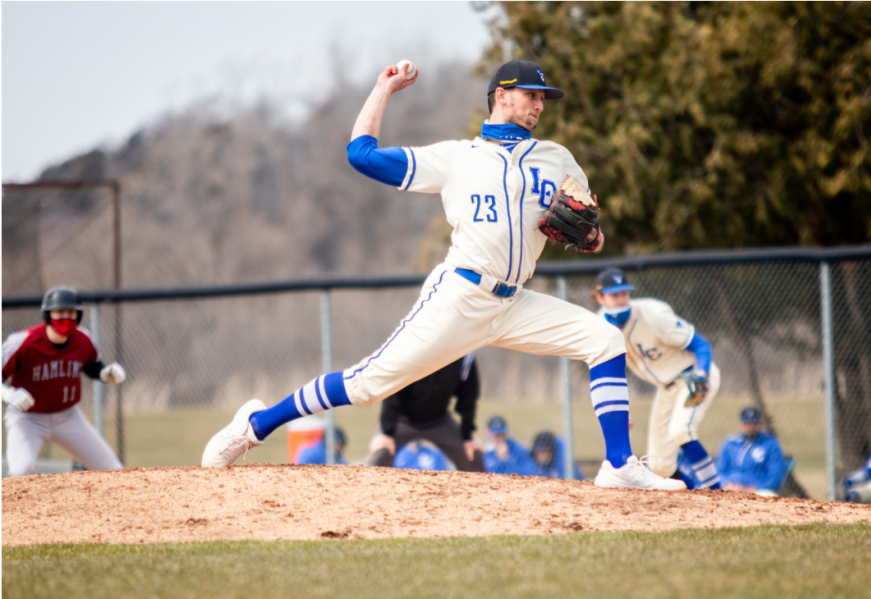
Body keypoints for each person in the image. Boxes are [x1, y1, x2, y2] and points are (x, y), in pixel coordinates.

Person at [202, 59, 684, 491]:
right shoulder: (457, 158)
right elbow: (361, 155)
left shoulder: (557, 159)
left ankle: (619, 464)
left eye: (544, 98)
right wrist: (383, 90)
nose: (540, 104)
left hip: (515, 303)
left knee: (604, 341)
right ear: (502, 96)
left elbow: (593, 235)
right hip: (461, 295)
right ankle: (256, 425)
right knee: (369, 385)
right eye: (531, 95)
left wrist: (586, 236)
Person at [594, 268, 722, 489]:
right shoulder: (599, 326)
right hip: (666, 389)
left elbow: (700, 344)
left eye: (624, 293)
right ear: (599, 297)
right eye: (614, 295)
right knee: (661, 465)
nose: (621, 299)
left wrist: (702, 374)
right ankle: (694, 495)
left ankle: (719, 494)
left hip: (692, 378)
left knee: (682, 430)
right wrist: (620, 408)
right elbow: (610, 370)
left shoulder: (653, 316)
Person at [2, 286, 126, 476]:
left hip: (68, 417)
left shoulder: (83, 339)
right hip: (27, 418)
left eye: (71, 312)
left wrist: (105, 373)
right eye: (60, 312)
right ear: (47, 315)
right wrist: (9, 394)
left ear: (79, 316)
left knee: (113, 469)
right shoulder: (22, 342)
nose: (66, 318)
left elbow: (92, 366)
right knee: (21, 471)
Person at [366, 353, 484, 472]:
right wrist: (386, 433)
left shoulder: (463, 354)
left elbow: (468, 396)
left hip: (439, 421)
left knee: (472, 456)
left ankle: (481, 490)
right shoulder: (412, 348)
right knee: (382, 452)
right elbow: (392, 391)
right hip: (403, 420)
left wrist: (468, 437)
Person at [714, 407, 787, 496]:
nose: (751, 427)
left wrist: (752, 489)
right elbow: (719, 472)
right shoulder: (731, 444)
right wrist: (728, 484)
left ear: (760, 423)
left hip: (759, 491)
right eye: (747, 423)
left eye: (754, 423)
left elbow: (775, 478)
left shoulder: (770, 444)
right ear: (740, 423)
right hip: (730, 488)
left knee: (768, 496)